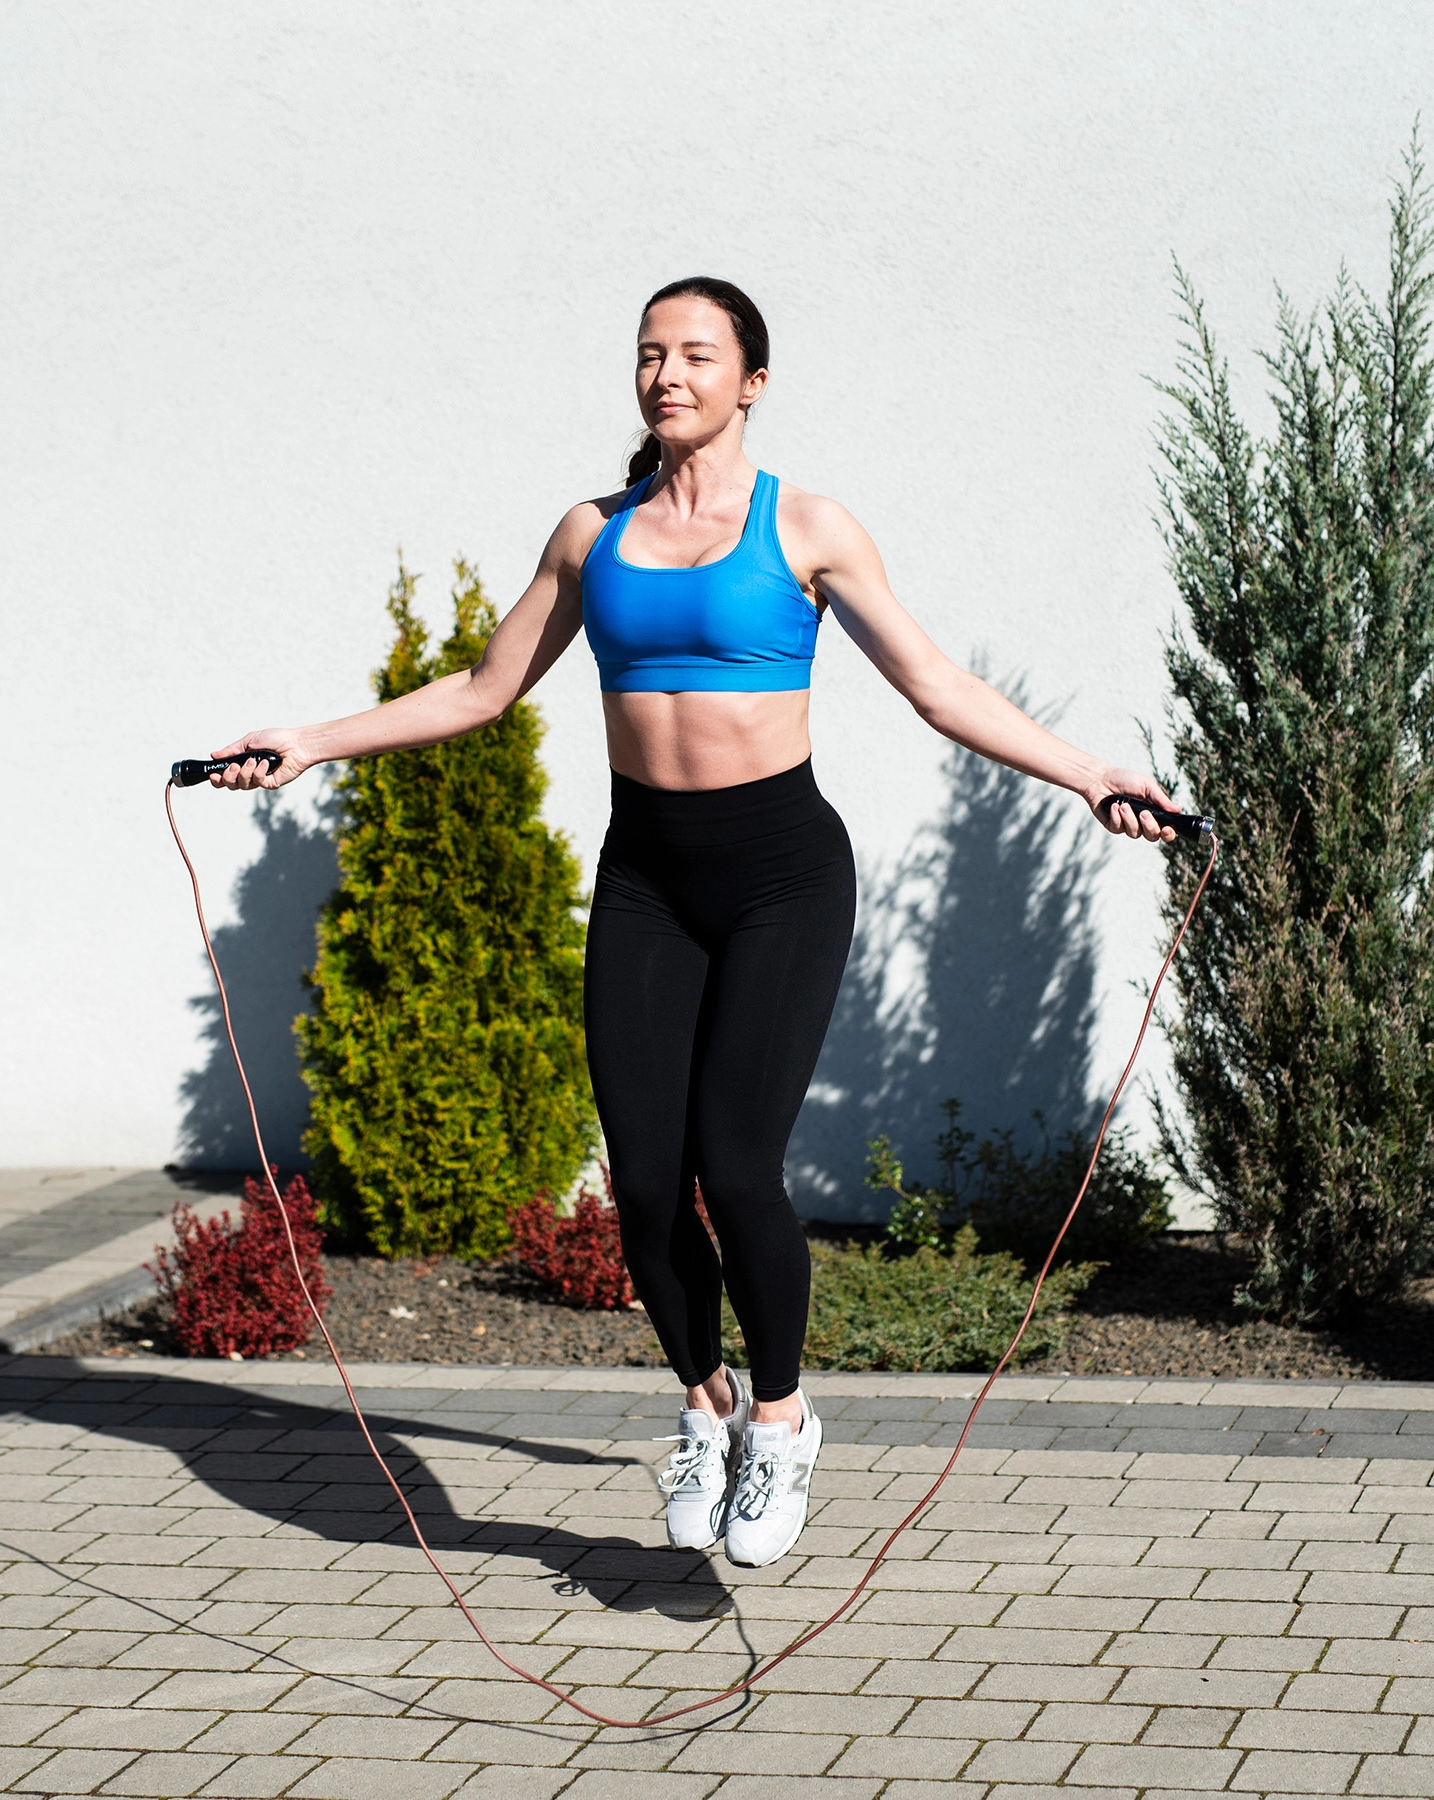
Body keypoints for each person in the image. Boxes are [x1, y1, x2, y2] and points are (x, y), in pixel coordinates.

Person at [211, 276, 1177, 1568]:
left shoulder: (808, 528)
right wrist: (310, 742)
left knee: (736, 1164)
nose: (668, 374)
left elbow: (939, 687)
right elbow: (485, 689)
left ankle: (781, 1419)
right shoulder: (590, 535)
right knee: (649, 1185)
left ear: (752, 383)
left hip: (783, 879)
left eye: (697, 355)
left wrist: (1091, 776)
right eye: (650, 353)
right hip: (647, 883)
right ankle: (708, 1406)